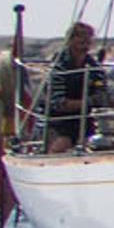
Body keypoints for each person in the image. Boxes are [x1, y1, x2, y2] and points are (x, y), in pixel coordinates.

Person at [36, 22, 102, 152]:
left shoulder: (94, 67)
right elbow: (59, 103)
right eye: (80, 36)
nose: (85, 40)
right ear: (70, 40)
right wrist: (89, 102)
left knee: (103, 142)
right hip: (58, 121)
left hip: (87, 119)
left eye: (89, 36)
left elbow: (101, 91)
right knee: (62, 144)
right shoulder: (58, 68)